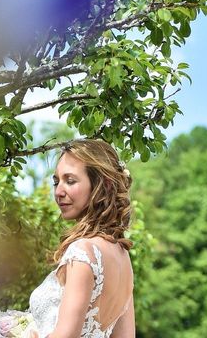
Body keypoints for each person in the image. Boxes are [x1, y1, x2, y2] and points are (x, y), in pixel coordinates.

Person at [28, 139, 135, 338]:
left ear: (99, 186)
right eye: (56, 181)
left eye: (70, 181)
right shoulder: (123, 258)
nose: (59, 191)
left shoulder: (83, 251)